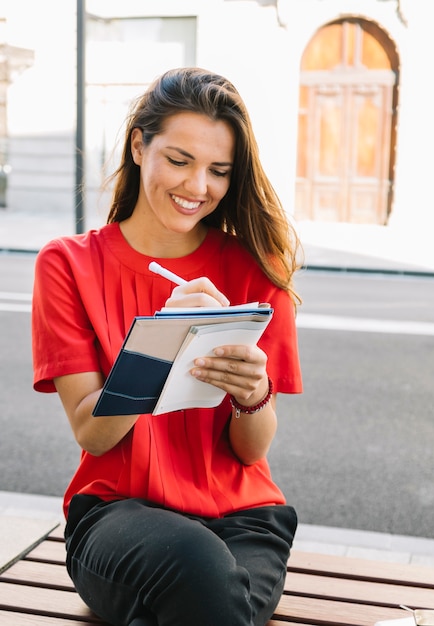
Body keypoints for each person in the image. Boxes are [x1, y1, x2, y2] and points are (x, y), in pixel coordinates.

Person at [31, 67, 303, 626]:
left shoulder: (258, 267)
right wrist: (161, 341)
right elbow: (93, 433)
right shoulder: (68, 264)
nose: (197, 187)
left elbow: (251, 452)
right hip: (116, 512)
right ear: (138, 145)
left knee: (204, 601)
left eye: (219, 171)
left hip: (245, 517)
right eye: (179, 160)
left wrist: (253, 395)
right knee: (201, 571)